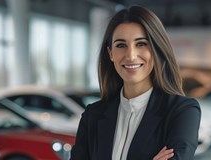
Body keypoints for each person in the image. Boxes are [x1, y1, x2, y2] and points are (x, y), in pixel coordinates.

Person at [70, 5, 201, 160]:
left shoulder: (182, 111)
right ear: (111, 53)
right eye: (121, 45)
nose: (131, 56)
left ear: (156, 49)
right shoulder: (92, 115)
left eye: (141, 44)